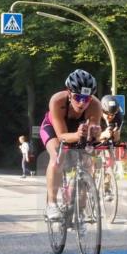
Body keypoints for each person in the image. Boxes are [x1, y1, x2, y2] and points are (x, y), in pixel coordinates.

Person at [39, 69, 102, 220]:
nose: (82, 102)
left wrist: (94, 133)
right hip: (54, 129)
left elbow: (92, 136)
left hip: (77, 130)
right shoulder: (57, 101)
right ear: (69, 92)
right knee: (57, 157)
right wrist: (77, 135)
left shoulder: (95, 105)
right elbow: (61, 136)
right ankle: (51, 204)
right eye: (78, 97)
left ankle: (80, 211)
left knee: (87, 163)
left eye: (86, 98)